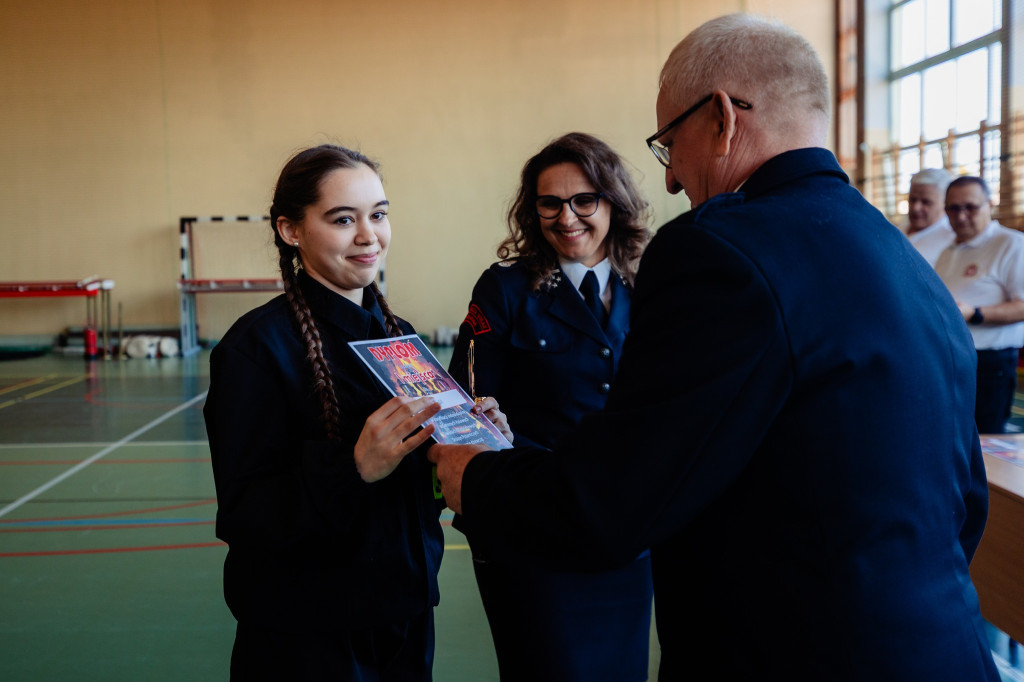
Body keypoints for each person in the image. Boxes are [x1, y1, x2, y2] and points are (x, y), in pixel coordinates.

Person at [429, 14, 998, 681]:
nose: (672, 181)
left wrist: (477, 479)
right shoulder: (903, 260)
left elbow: (615, 500)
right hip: (939, 645)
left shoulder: (720, 251)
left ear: (723, 119)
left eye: (670, 145)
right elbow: (967, 503)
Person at [203, 144, 510, 680]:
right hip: (306, 634)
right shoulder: (255, 348)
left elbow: (425, 491)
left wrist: (468, 442)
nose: (369, 235)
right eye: (343, 219)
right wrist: (354, 467)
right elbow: (245, 513)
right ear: (290, 230)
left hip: (406, 615)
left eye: (379, 214)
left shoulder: (400, 338)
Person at [447, 132, 653, 681]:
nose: (567, 218)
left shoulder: (652, 287)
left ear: (614, 201)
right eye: (549, 203)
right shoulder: (505, 290)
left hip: (625, 533)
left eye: (584, 200)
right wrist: (483, 416)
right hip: (533, 527)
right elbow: (462, 401)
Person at [935, 175, 1024, 434]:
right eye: (953, 208)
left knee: (983, 444)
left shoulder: (1012, 245)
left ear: (990, 205)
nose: (961, 216)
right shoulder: (947, 252)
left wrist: (974, 314)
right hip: (951, 360)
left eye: (970, 207)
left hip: (990, 364)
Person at [903, 167, 955, 265]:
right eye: (912, 200)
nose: (916, 208)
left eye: (926, 202)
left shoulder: (952, 241)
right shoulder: (896, 231)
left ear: (945, 203)